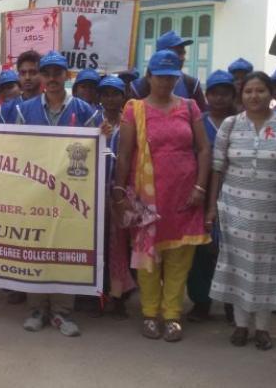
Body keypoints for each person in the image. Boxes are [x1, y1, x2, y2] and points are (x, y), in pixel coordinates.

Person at [113, 49, 211, 342]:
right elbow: (125, 154)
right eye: (160, 77)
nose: (166, 82)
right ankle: (149, 313)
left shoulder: (190, 107)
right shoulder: (135, 109)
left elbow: (204, 149)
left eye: (171, 77)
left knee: (180, 259)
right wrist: (119, 191)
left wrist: (200, 188)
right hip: (147, 198)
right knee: (148, 258)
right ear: (149, 76)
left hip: (185, 196)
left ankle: (172, 315)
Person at [206, 71, 276, 350]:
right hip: (235, 211)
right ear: (242, 95)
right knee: (238, 266)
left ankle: (262, 328)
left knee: (267, 268)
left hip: (274, 214)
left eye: (260, 90)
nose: (254, 96)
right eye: (249, 91)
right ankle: (240, 325)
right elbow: (217, 168)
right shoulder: (230, 125)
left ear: (270, 93)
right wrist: (212, 208)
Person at [16, 51, 95, 337]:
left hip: (71, 195)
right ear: (41, 76)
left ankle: (62, 312)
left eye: (57, 73)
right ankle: (36, 309)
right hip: (34, 191)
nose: (51, 79)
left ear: (67, 76)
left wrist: (105, 133)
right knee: (36, 247)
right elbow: (15, 148)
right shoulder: (25, 110)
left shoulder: (86, 111)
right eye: (46, 73)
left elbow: (98, 150)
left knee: (65, 248)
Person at [186, 70, 238, 323]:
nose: (219, 98)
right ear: (207, 96)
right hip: (201, 188)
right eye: (215, 93)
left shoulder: (241, 122)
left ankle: (232, 303)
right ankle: (201, 301)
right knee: (201, 249)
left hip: (235, 192)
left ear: (232, 96)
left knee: (232, 249)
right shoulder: (198, 121)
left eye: (225, 93)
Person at [94, 75, 136, 318]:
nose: (110, 99)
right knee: (96, 245)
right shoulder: (93, 120)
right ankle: (96, 296)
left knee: (118, 247)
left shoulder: (131, 122)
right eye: (106, 94)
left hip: (120, 192)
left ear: (123, 97)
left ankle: (118, 297)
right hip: (94, 192)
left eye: (115, 94)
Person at [130, 31, 208, 111]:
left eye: (183, 53)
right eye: (178, 53)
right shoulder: (138, 88)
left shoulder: (191, 85)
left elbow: (202, 115)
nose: (183, 58)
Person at [0, 50, 43, 125]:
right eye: (23, 73)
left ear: (41, 74)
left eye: (32, 72)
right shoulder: (7, 109)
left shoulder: (51, 105)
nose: (27, 77)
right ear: (18, 75)